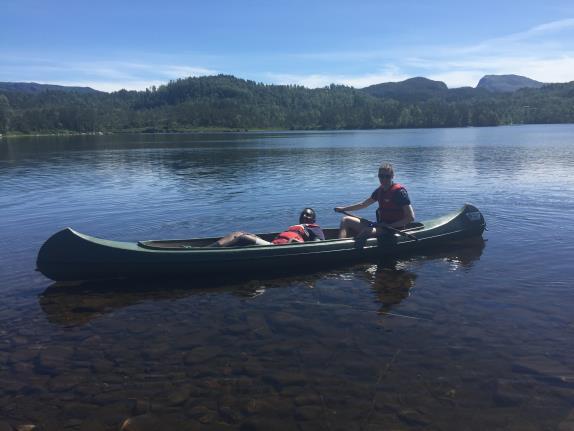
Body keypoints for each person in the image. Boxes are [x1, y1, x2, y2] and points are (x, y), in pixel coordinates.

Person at [334, 162, 415, 240]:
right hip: (380, 226)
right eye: (381, 176)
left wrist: (390, 225)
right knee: (345, 220)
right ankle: (340, 244)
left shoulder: (399, 192)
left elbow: (410, 218)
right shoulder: (379, 191)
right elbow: (363, 204)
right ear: (378, 176)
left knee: (366, 231)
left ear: (392, 176)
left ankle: (350, 249)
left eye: (387, 176)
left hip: (394, 229)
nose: (384, 179)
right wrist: (343, 209)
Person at [210, 208, 325, 247]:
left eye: (308, 214)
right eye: (303, 214)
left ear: (313, 220)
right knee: (237, 233)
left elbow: (318, 243)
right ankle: (207, 249)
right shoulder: (295, 227)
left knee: (244, 238)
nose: (304, 215)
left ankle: (218, 252)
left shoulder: (314, 228)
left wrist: (298, 243)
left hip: (279, 247)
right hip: (273, 243)